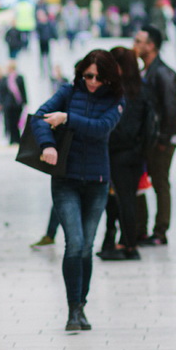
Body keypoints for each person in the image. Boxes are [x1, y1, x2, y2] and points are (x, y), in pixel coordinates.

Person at [32, 50, 124, 331]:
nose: (93, 82)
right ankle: (73, 310)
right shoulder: (68, 92)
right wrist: (47, 145)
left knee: (86, 246)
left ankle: (81, 305)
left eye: (99, 77)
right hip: (66, 180)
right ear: (80, 73)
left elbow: (101, 128)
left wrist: (67, 119)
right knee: (74, 243)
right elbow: (38, 118)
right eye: (88, 76)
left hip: (97, 181)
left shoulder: (116, 101)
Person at [98, 47, 155, 261]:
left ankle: (129, 244)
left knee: (122, 199)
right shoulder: (143, 88)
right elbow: (149, 123)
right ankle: (126, 241)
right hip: (136, 152)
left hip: (118, 152)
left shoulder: (117, 92)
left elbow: (118, 126)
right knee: (127, 197)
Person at [132, 24, 176, 246]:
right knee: (146, 180)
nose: (135, 45)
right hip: (151, 137)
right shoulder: (147, 71)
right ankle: (144, 229)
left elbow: (171, 108)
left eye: (139, 41)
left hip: (161, 138)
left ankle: (160, 231)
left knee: (160, 182)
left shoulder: (163, 73)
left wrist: (163, 138)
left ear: (151, 46)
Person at [0, 61, 27, 145]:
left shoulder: (19, 78)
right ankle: (11, 139)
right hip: (7, 104)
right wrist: (0, 102)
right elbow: (1, 91)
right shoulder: (5, 79)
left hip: (17, 104)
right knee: (9, 122)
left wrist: (25, 102)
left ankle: (17, 139)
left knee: (16, 122)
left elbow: (23, 90)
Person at [35, 9, 56, 77]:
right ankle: (42, 72)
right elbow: (36, 33)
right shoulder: (39, 24)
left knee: (48, 58)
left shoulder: (48, 24)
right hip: (41, 42)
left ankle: (49, 71)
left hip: (47, 42)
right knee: (41, 58)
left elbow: (52, 31)